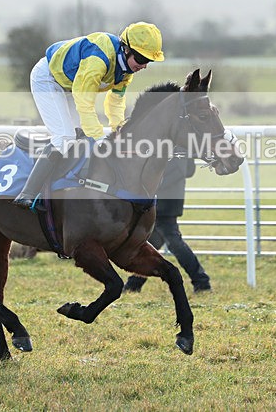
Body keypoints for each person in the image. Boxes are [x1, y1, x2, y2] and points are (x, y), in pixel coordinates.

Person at [13, 22, 165, 210]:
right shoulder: (98, 58)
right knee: (65, 138)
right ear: (125, 49)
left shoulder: (126, 70)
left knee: (81, 139)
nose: (144, 66)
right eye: (142, 59)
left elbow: (115, 101)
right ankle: (27, 193)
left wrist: (120, 129)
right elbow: (85, 103)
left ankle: (65, 188)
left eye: (149, 61)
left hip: (71, 86)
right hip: (48, 79)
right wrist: (99, 137)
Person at [123, 154, 211, 293]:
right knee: (155, 242)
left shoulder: (169, 142)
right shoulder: (180, 142)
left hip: (163, 200)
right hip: (170, 199)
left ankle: (202, 282)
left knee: (174, 242)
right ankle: (133, 284)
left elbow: (175, 172)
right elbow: (189, 170)